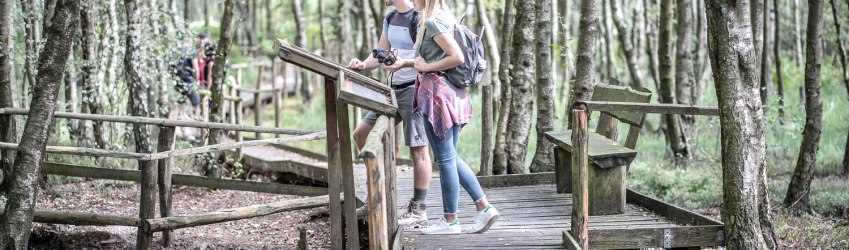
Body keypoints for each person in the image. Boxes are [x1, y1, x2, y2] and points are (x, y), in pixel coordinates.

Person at [411, 0, 498, 235]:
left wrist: (426, 67)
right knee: (450, 157)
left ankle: (450, 220)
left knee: (446, 160)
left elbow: (457, 56)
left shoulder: (432, 21)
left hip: (438, 95)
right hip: (452, 94)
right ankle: (484, 208)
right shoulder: (445, 16)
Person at [348, 0, 434, 229]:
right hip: (390, 91)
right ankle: (378, 194)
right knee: (360, 134)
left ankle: (419, 208)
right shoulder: (390, 17)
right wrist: (362, 65)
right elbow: (381, 52)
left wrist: (403, 63)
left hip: (414, 89)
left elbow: (427, 57)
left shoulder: (420, 17)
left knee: (418, 149)